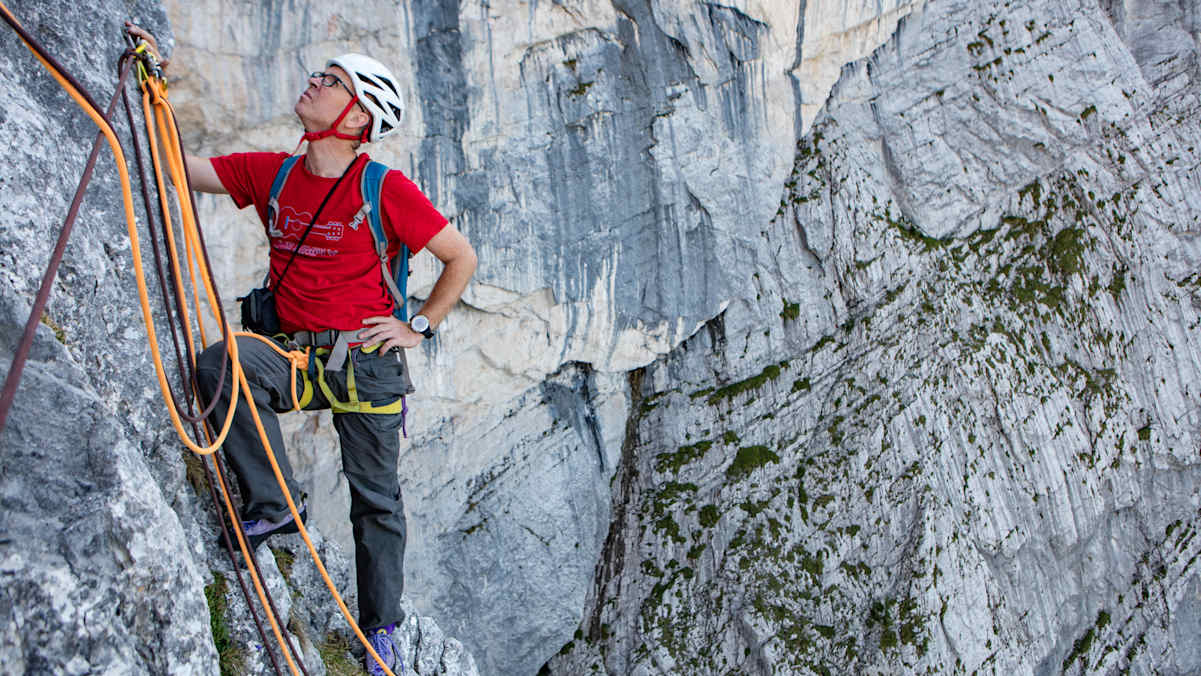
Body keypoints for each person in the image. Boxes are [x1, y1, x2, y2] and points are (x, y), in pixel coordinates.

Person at [126, 24, 477, 676]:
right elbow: (182, 169)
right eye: (321, 75)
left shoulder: (384, 189)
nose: (314, 82)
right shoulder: (274, 173)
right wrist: (154, 83)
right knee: (219, 362)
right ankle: (275, 505)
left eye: (331, 82)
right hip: (294, 356)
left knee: (377, 505)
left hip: (368, 365)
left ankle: (380, 633)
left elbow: (458, 257)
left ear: (356, 116)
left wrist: (418, 326)